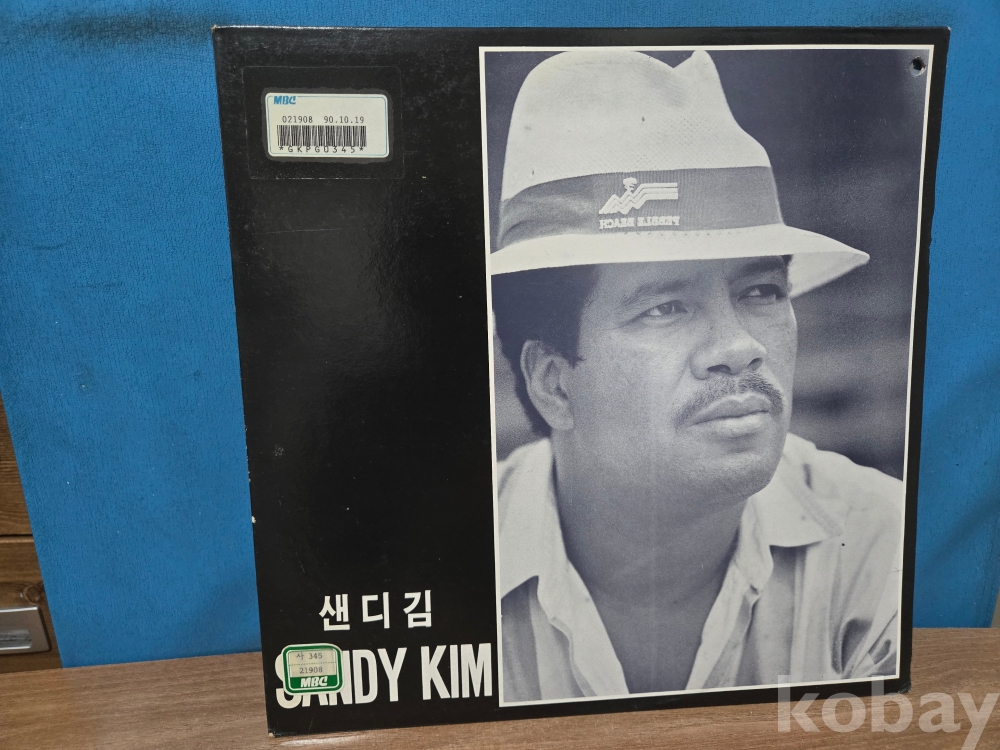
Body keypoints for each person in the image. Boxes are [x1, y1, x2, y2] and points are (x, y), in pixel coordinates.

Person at [489, 49, 904, 702]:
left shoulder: (883, 550)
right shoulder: (439, 567)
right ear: (554, 384)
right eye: (665, 307)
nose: (740, 348)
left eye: (761, 292)